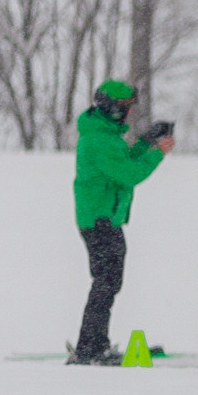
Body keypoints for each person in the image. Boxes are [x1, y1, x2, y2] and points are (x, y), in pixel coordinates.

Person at [69, 79, 172, 364]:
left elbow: (125, 160)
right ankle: (89, 347)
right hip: (99, 219)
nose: (128, 113)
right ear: (112, 108)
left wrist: (147, 141)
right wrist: (158, 154)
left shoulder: (105, 134)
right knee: (106, 281)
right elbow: (129, 174)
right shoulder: (99, 139)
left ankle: (93, 344)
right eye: (125, 107)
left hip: (105, 219)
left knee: (108, 281)